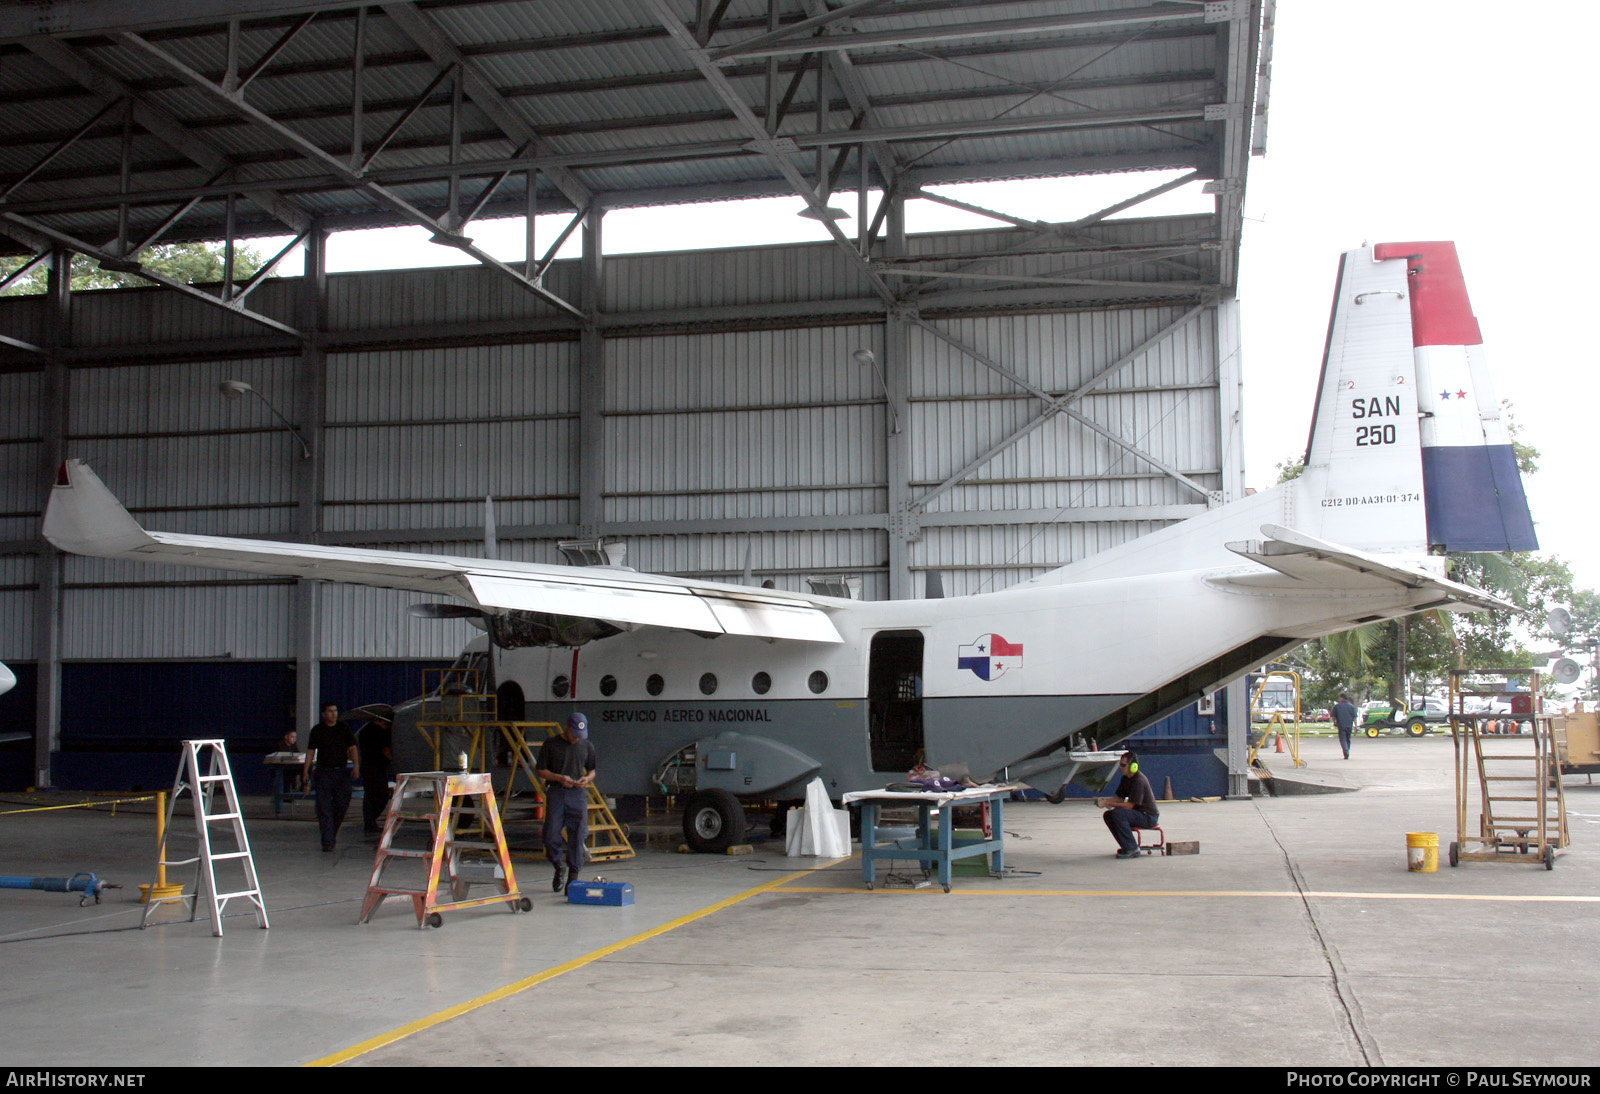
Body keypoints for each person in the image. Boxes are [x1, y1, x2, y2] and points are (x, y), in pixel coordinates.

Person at [536, 712, 596, 894]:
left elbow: (593, 770)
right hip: (557, 792)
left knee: (578, 835)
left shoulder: (586, 746)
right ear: (567, 728)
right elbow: (540, 770)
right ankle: (557, 865)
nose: (577, 739)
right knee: (550, 834)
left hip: (577, 794)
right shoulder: (551, 745)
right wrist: (559, 778)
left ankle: (573, 876)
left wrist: (587, 779)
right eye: (574, 735)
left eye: (580, 736)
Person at [303, 702, 359, 853]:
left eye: (335, 711)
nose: (334, 714)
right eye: (330, 711)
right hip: (323, 772)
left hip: (341, 772)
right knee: (324, 807)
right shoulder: (317, 730)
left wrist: (356, 765)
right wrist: (306, 770)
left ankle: (331, 834)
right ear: (323, 714)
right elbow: (310, 751)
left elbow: (352, 747)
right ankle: (327, 841)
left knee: (341, 804)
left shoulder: (344, 729)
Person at [1095, 750, 1159, 859]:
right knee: (1109, 815)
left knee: (1118, 814)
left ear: (1133, 766)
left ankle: (1132, 848)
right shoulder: (1126, 778)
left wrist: (1107, 802)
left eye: (1123, 765)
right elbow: (1119, 798)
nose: (1120, 767)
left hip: (1148, 816)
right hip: (1138, 813)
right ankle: (1126, 845)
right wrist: (1103, 800)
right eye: (1120, 764)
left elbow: (1130, 806)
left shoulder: (1138, 781)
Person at [358, 714, 394, 835]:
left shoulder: (364, 731)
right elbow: (386, 750)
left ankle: (369, 821)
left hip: (367, 766)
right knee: (382, 795)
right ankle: (371, 820)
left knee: (369, 795)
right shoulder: (382, 733)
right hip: (377, 767)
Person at [1333, 693, 1358, 760]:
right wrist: (1356, 726)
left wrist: (1335, 722)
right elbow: (1354, 717)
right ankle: (1347, 751)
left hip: (1341, 725)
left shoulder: (1337, 706)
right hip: (1349, 725)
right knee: (1348, 739)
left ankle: (1346, 751)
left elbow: (1334, 716)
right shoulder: (1352, 706)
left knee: (1343, 739)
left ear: (1342, 698)